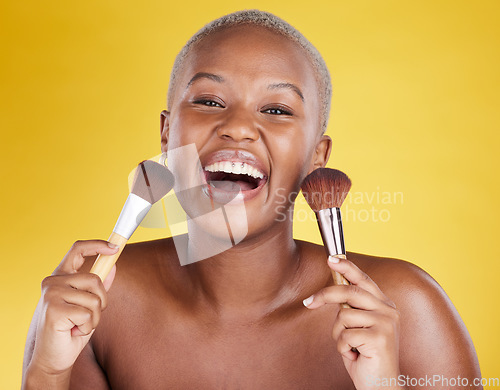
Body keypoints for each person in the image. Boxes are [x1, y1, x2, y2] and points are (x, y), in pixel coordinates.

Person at [22, 10, 482, 390]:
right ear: (167, 135)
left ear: (316, 158)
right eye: (209, 102)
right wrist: (48, 371)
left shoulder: (408, 308)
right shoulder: (97, 303)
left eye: (277, 110)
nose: (239, 126)